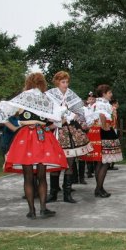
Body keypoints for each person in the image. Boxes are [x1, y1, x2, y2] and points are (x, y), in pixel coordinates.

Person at [0, 72, 67, 219]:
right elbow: (58, 117)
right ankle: (43, 208)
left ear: (28, 82)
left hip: (25, 136)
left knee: (28, 177)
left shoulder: (23, 97)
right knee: (42, 175)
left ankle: (31, 211)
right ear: (42, 83)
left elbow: (0, 113)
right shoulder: (46, 99)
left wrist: (13, 127)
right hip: (42, 136)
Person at [46, 71, 92, 204]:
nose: (65, 84)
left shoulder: (71, 95)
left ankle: (67, 193)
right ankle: (53, 193)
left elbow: (79, 111)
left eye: (66, 81)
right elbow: (46, 113)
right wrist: (57, 120)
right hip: (55, 130)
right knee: (55, 162)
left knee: (70, 161)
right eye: (63, 82)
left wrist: (72, 117)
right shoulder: (50, 95)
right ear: (57, 82)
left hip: (70, 130)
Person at [86, 84, 123, 198]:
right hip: (103, 131)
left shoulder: (97, 103)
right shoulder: (102, 104)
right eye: (109, 93)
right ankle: (99, 188)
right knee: (105, 162)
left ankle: (99, 188)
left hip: (96, 131)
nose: (111, 94)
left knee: (100, 162)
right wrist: (105, 127)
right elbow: (101, 115)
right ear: (104, 94)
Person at [80, 92, 98, 179]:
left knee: (93, 149)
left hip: (93, 129)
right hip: (86, 130)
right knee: (88, 150)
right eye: (90, 99)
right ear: (87, 100)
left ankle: (92, 170)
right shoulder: (84, 108)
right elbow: (83, 118)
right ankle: (88, 171)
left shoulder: (96, 107)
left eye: (93, 99)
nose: (91, 100)